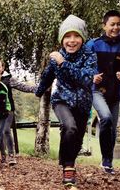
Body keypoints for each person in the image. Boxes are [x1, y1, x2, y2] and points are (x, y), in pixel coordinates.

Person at [35, 14, 97, 188]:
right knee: (69, 127)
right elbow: (47, 77)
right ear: (62, 39)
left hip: (83, 104)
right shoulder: (56, 58)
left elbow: (85, 79)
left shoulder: (89, 56)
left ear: (82, 38)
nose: (72, 40)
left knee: (76, 139)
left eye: (76, 36)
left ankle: (66, 160)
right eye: (67, 36)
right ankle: (68, 168)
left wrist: (64, 64)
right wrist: (38, 91)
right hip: (61, 100)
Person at [86, 10, 120, 175]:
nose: (116, 27)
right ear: (104, 25)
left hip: (116, 93)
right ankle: (106, 160)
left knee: (112, 129)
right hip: (96, 91)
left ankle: (107, 161)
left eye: (119, 24)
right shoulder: (93, 44)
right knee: (105, 118)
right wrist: (91, 76)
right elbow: (83, 63)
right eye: (112, 24)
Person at [0, 58, 36, 165]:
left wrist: (36, 89)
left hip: (8, 109)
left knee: (6, 130)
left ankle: (11, 155)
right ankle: (3, 155)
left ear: (3, 68)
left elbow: (22, 86)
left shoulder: (8, 79)